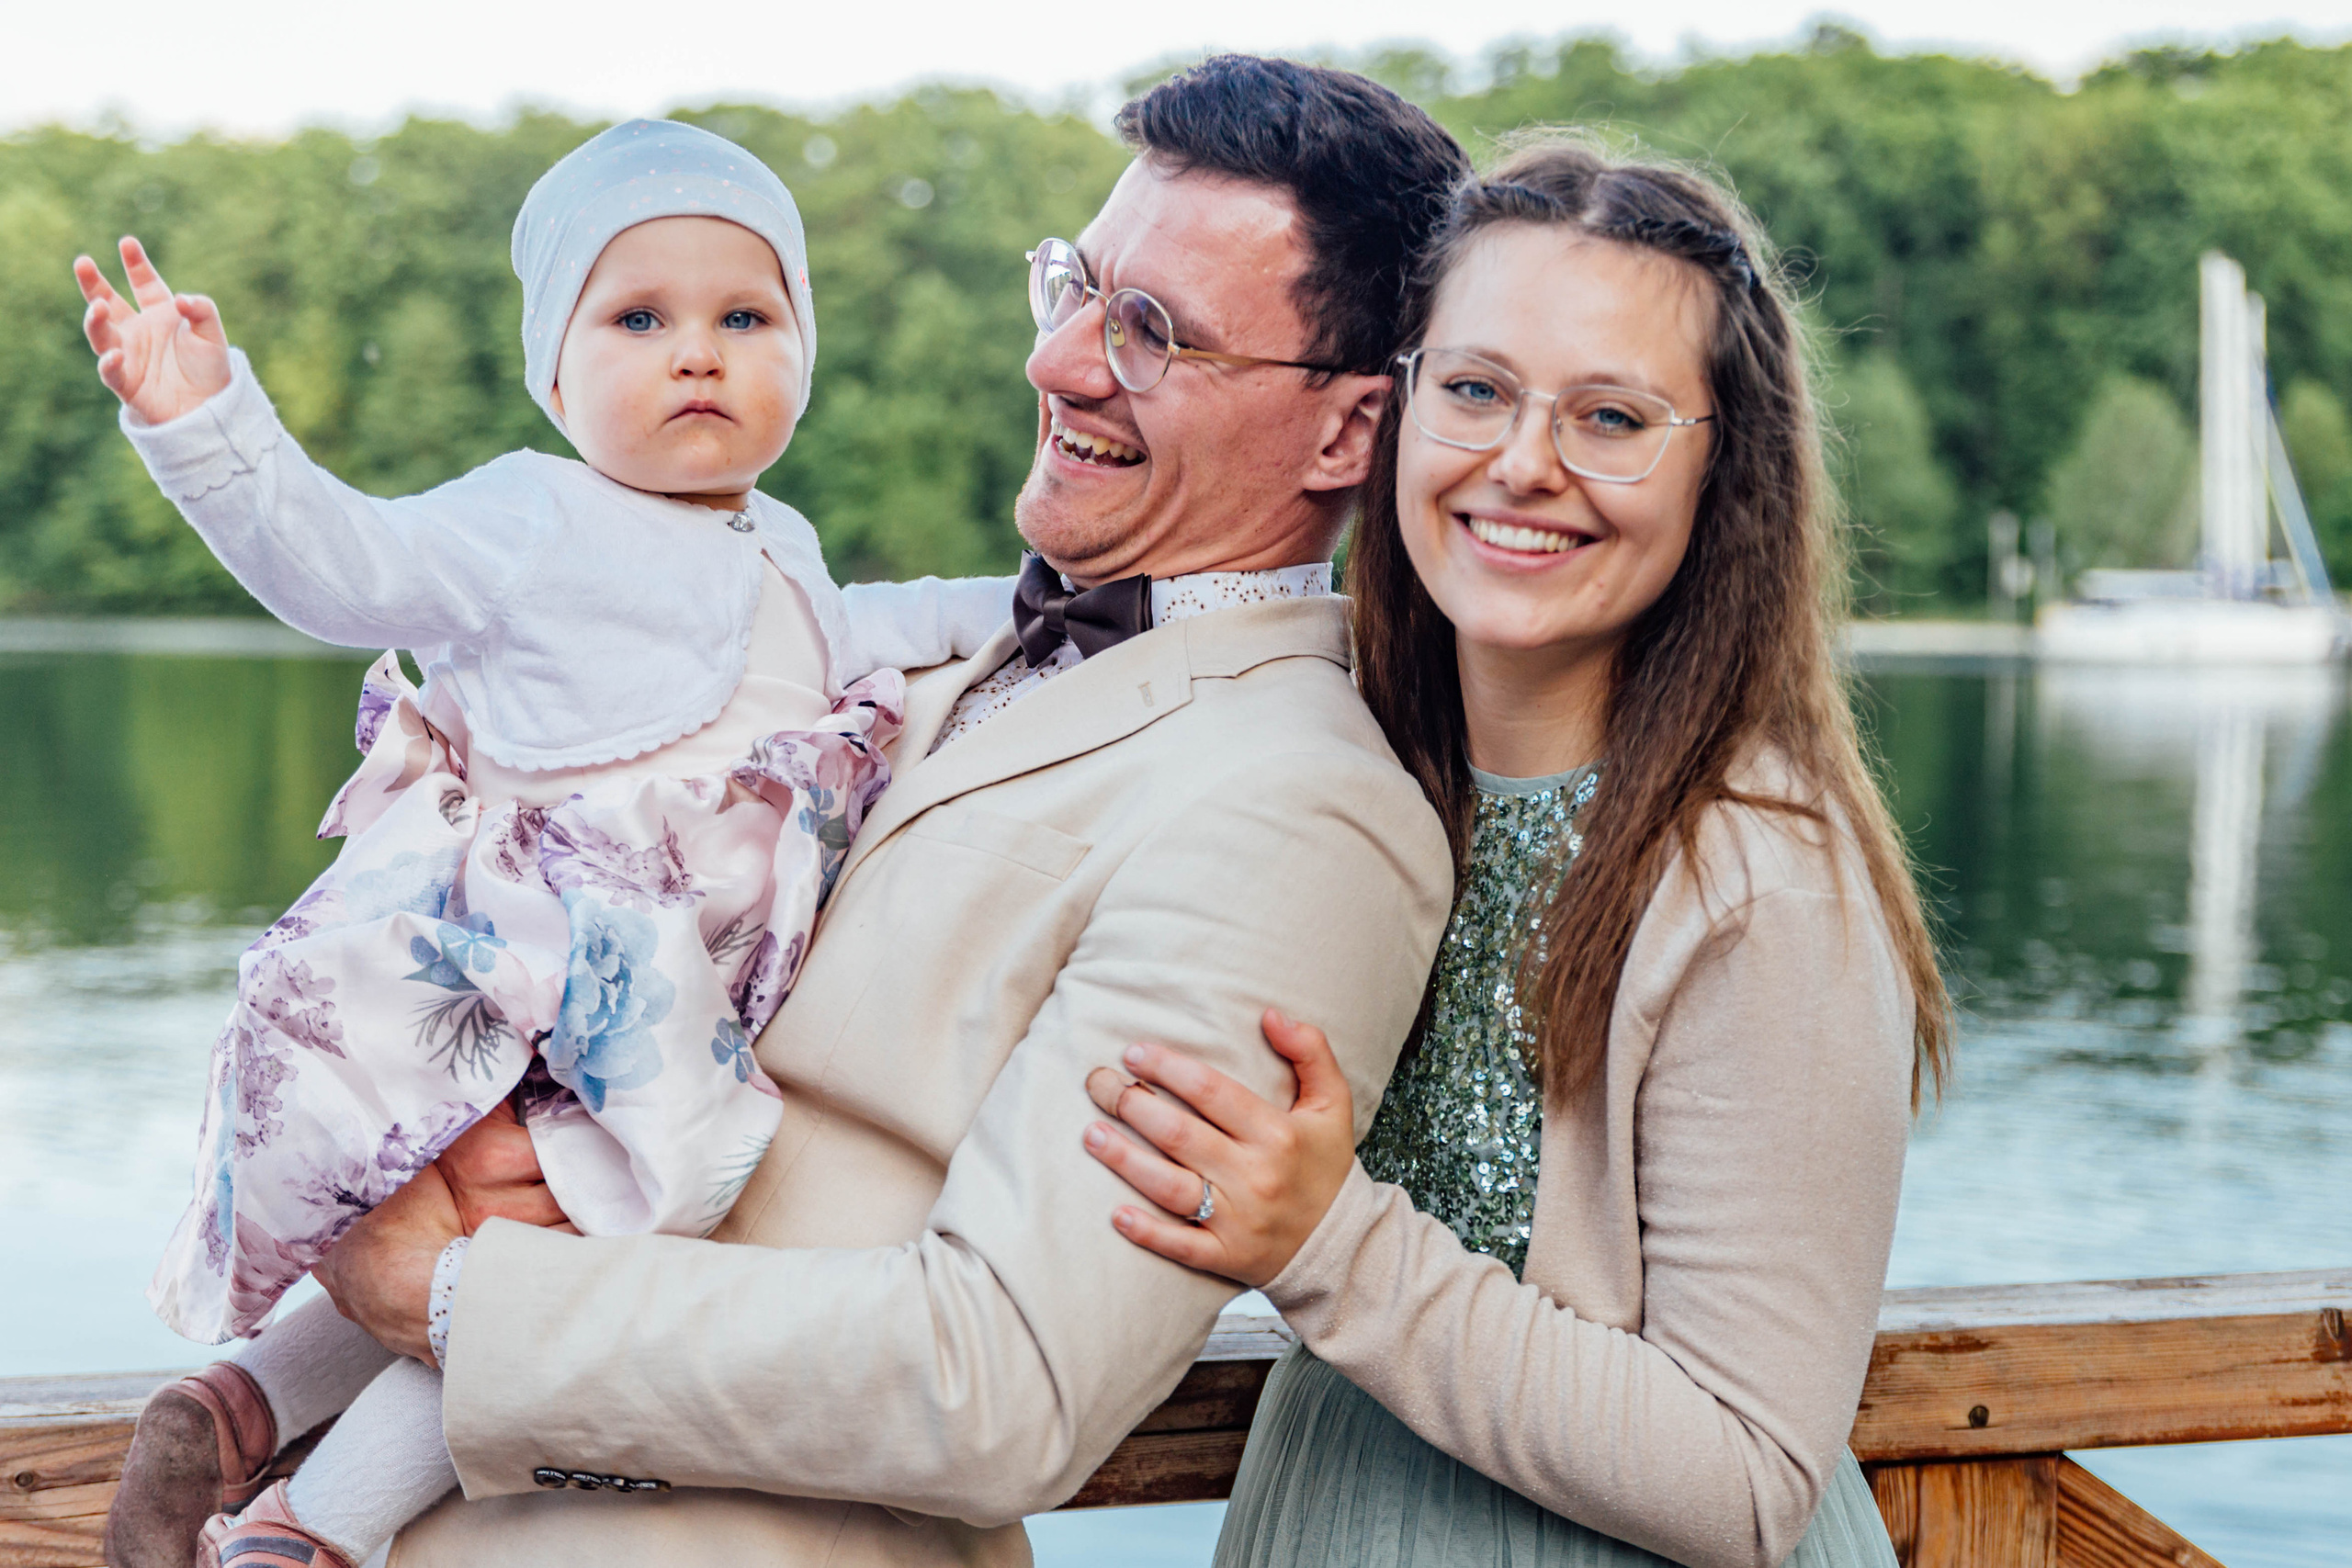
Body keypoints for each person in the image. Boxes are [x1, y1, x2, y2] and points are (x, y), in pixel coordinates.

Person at [300, 57, 1469, 1567]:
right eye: (1075, 287)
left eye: (1152, 333)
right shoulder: (889, 650)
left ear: (1344, 436)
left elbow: (1004, 1380)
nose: (1060, 363)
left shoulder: (1310, 814)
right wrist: (428, 1135)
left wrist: (456, 1299)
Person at [84, 120, 1012, 1568]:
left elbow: (886, 630)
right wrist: (209, 425)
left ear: (803, 354)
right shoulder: (533, 516)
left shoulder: (786, 545)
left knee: (524, 1252)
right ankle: (313, 1534)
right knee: (601, 1257)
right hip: (550, 969)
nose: (696, 352)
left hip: (647, 985)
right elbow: (346, 564)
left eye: (745, 317)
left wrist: (1074, 595)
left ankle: (240, 1408)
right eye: (639, 318)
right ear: (556, 368)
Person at [1081, 134, 1951, 1568]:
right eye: (1476, 390)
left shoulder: (1760, 879)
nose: (1524, 465)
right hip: (1325, 1519)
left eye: (1611, 417)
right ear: (1398, 411)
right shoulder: (1346, 778)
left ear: (1720, 470)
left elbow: (1743, 1482)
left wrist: (1325, 1242)